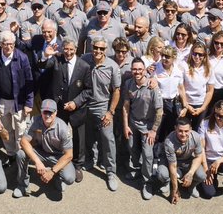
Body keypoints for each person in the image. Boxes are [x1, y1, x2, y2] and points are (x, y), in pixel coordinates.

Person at [73, 37, 123, 192]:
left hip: (102, 107)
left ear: (105, 50)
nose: (98, 51)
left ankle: (110, 172)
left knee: (108, 140)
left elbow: (116, 91)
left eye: (101, 49)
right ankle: (89, 160)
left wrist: (110, 111)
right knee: (87, 136)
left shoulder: (112, 66)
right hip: (85, 105)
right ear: (91, 47)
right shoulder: (84, 59)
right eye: (95, 48)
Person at [0, 31, 34, 170]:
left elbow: (30, 81)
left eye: (11, 44)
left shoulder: (22, 58)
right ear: (0, 44)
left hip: (19, 102)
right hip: (1, 101)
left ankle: (21, 156)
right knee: (6, 130)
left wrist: (29, 103)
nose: (8, 47)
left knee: (21, 131)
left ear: (14, 44)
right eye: (5, 44)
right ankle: (11, 154)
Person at [45, 37, 90, 181]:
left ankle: (77, 165)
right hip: (59, 107)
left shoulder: (84, 66)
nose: (68, 52)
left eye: (71, 49)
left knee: (78, 138)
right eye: (66, 49)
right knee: (58, 136)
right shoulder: (57, 60)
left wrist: (75, 103)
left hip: (76, 108)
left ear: (76, 49)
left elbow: (88, 90)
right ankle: (60, 162)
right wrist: (46, 55)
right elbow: (43, 65)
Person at [18, 98, 76, 199]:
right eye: (45, 112)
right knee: (20, 154)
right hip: (40, 152)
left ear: (56, 113)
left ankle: (57, 177)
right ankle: (22, 185)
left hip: (57, 156)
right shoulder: (35, 120)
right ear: (41, 112)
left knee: (69, 178)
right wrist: (37, 162)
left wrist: (52, 172)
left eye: (51, 112)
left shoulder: (62, 128)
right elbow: (23, 141)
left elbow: (69, 155)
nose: (48, 115)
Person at [122, 59, 163, 199]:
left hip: (148, 126)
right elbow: (126, 106)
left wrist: (154, 130)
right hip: (133, 122)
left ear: (145, 70)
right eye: (134, 69)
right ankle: (136, 170)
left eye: (140, 69)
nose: (137, 72)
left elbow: (159, 111)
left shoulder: (152, 87)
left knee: (147, 154)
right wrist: (126, 125)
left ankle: (147, 182)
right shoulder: (128, 84)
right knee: (131, 147)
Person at [155, 118, 206, 203]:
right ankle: (167, 183)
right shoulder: (169, 141)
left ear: (190, 129)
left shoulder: (196, 137)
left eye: (186, 131)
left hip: (187, 160)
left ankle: (191, 186)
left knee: (201, 175)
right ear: (175, 128)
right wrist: (175, 190)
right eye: (180, 131)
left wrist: (190, 173)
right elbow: (173, 165)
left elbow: (198, 156)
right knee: (161, 174)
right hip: (170, 162)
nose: (183, 134)